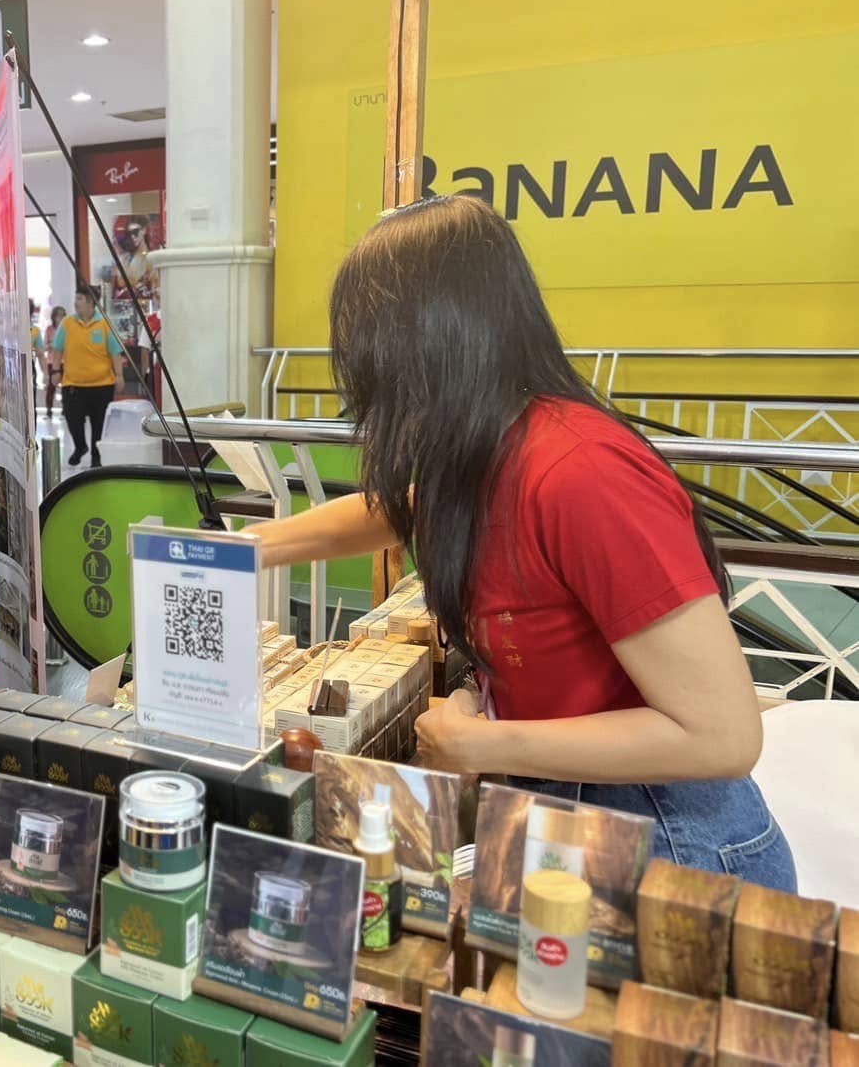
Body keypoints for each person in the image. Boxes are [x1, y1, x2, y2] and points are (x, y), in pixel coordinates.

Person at [251, 194, 794, 887]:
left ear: (433, 338)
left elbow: (721, 735)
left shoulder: (580, 472)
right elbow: (396, 511)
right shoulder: (492, 447)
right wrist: (247, 546)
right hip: (564, 809)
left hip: (663, 842)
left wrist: (482, 741)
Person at [55, 286, 122, 467]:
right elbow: (57, 349)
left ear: (92, 302)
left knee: (99, 423)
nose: (76, 303)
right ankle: (80, 446)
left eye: (80, 299)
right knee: (72, 419)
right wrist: (54, 372)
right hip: (73, 384)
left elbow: (115, 352)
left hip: (102, 385)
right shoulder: (68, 323)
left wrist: (120, 376)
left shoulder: (105, 324)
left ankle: (96, 457)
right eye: (75, 299)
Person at [43, 305, 66, 419]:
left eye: (62, 315)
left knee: (65, 387)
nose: (60, 318)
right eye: (58, 315)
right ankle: (49, 411)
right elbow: (44, 347)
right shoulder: (49, 329)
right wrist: (52, 345)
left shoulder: (67, 329)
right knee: (51, 387)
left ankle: (64, 411)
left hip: (65, 361)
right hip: (52, 362)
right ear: (54, 317)